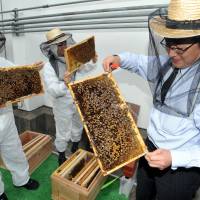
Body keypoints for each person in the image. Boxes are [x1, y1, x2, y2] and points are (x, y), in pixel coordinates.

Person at [103, 0, 200, 199]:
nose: (171, 53)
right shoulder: (166, 62)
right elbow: (138, 62)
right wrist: (118, 58)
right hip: (150, 150)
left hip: (181, 168)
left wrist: (175, 157)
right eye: (168, 44)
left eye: (179, 49)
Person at [40, 28, 97, 165]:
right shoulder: (49, 67)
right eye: (60, 45)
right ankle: (61, 154)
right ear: (52, 47)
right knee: (63, 130)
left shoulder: (72, 58)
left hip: (78, 98)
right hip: (62, 104)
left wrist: (92, 60)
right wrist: (64, 84)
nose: (64, 46)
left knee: (78, 124)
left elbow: (85, 68)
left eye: (64, 42)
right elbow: (52, 90)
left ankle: (75, 147)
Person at [0, 33, 43, 200]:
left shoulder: (2, 62)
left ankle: (22, 179)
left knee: (14, 150)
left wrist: (32, 70)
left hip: (7, 118)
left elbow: (19, 73)